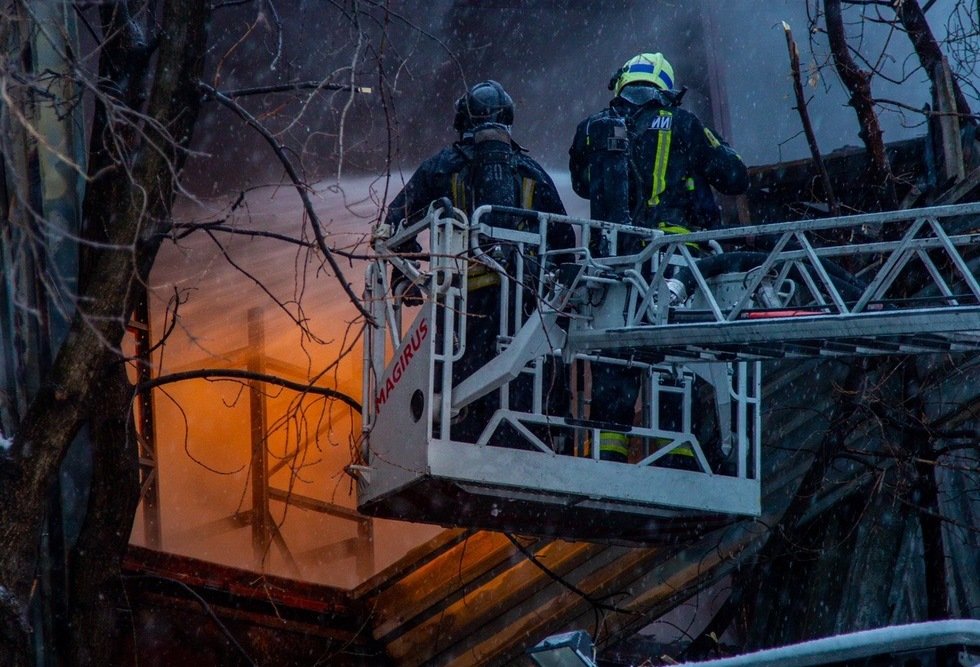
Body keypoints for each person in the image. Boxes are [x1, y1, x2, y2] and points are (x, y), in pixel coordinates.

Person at [568, 52, 749, 464]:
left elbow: (581, 185)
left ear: (621, 84)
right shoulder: (684, 124)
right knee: (675, 358)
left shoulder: (592, 129)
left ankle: (608, 453)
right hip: (677, 261)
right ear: (666, 90)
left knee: (614, 351)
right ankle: (678, 451)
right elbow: (735, 176)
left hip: (613, 265)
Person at [385, 80, 573, 444]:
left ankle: (455, 436)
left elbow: (394, 221)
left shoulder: (442, 167)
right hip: (521, 307)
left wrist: (405, 274)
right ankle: (524, 439)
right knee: (518, 388)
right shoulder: (531, 171)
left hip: (458, 307)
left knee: (457, 388)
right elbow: (564, 241)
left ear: (462, 121)